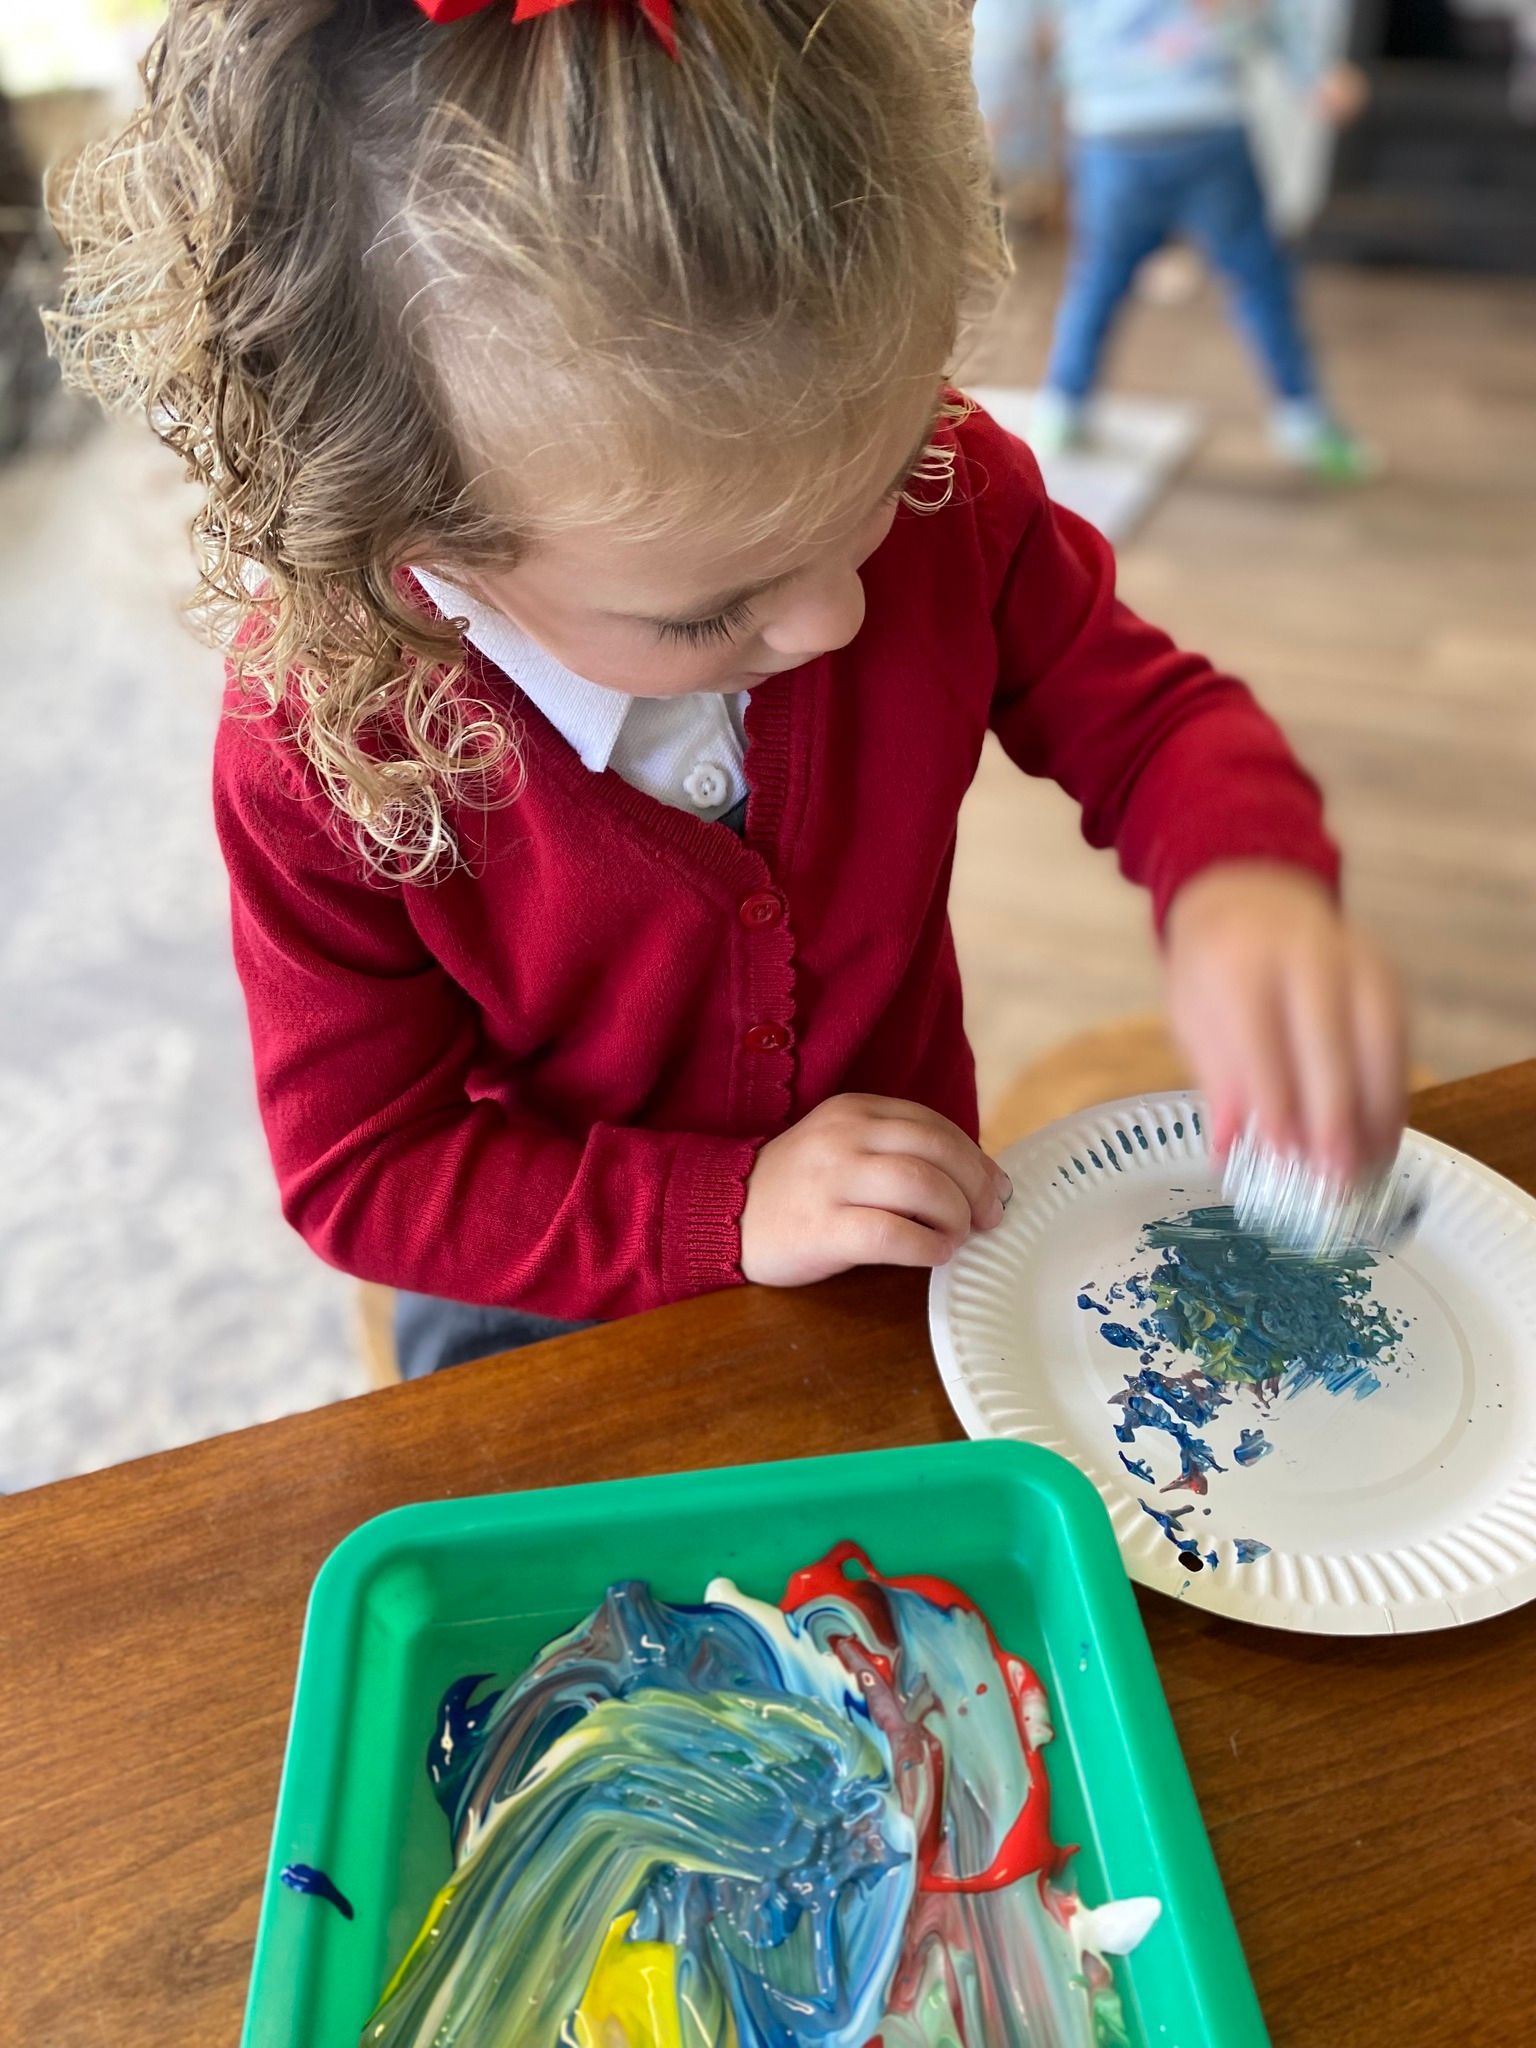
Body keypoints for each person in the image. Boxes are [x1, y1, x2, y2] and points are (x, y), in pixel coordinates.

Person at [52, 0, 1405, 1378]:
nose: (841, 616)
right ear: (425, 549)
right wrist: (726, 1208)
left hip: (897, 1243)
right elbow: (367, 1170)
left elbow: (1153, 722)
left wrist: (1245, 876)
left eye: (872, 492)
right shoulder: (324, 748)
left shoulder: (952, 490)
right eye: (709, 611)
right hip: (551, 1307)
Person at [973, 0, 1374, 477]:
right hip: (1201, 123)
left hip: (1113, 130)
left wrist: (1000, 106)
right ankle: (1303, 418)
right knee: (1260, 282)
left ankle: (1063, 408)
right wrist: (1312, 76)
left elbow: (1023, 24)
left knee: (1098, 279)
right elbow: (1271, 15)